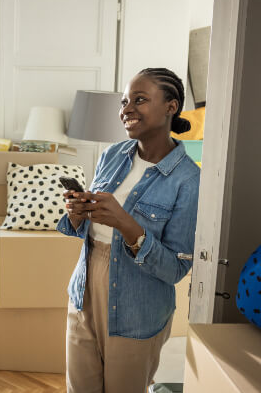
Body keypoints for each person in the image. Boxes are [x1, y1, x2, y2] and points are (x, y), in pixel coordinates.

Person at [57, 68, 201, 393]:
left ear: (170, 107)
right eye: (124, 101)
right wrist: (78, 214)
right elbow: (89, 232)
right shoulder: (112, 155)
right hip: (84, 290)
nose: (126, 109)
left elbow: (176, 269)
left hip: (138, 305)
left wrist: (125, 222)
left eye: (139, 99)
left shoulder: (188, 181)